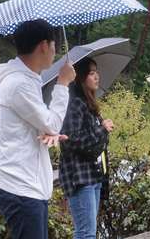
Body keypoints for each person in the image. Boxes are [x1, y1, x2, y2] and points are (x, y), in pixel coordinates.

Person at [0, 19, 76, 239]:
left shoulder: (25, 80)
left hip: (26, 185)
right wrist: (63, 83)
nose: (56, 52)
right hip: (21, 187)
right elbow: (53, 122)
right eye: (54, 46)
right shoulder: (19, 84)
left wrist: (49, 132)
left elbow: (42, 124)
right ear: (44, 45)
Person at [59, 57, 115, 239]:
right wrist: (100, 129)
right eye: (91, 73)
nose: (97, 77)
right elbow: (70, 139)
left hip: (93, 175)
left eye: (96, 72)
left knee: (89, 232)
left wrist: (102, 127)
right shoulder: (74, 104)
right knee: (85, 233)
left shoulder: (87, 104)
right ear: (81, 77)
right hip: (80, 177)